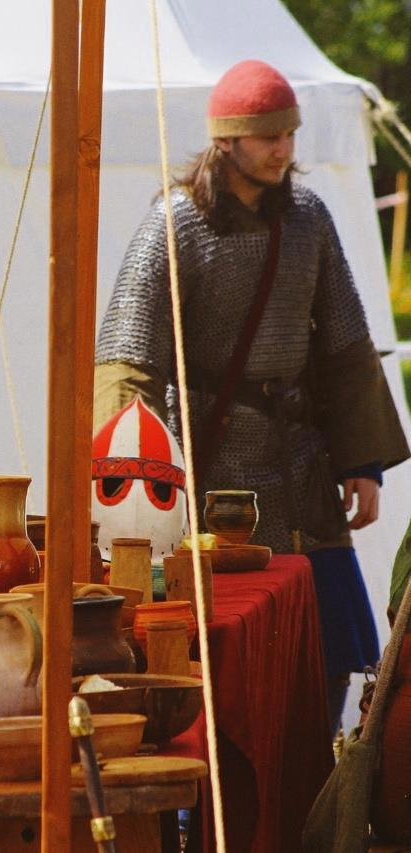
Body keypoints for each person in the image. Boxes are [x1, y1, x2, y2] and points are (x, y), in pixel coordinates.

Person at [94, 59, 409, 733]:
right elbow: (129, 358)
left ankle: (314, 777)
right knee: (223, 651)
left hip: (300, 461)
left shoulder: (308, 219)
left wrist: (362, 464)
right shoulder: (175, 223)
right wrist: (131, 484)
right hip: (212, 461)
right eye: (269, 136)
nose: (284, 149)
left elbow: (346, 344)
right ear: (228, 139)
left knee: (330, 647)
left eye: (290, 134)